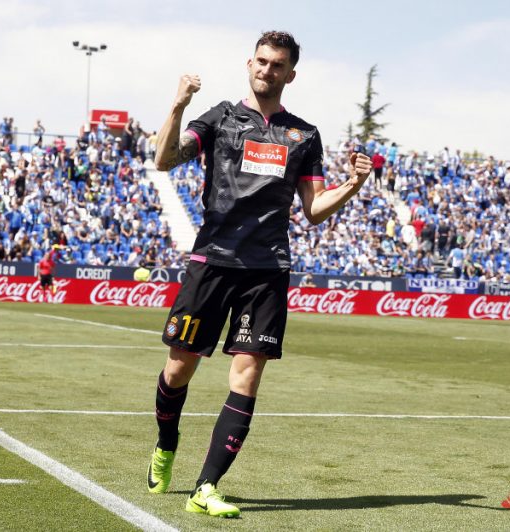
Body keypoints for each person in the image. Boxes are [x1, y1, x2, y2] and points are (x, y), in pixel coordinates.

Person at [147, 30, 372, 519]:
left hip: (267, 269)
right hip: (211, 261)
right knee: (179, 368)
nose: (267, 71)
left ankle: (204, 487)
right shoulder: (221, 118)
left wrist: (353, 184)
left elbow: (313, 209)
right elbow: (164, 159)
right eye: (261, 62)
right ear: (249, 63)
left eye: (277, 65)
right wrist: (178, 105)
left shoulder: (304, 135)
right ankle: (166, 445)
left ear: (291, 74)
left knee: (247, 376)